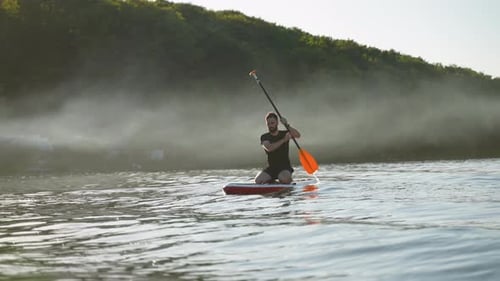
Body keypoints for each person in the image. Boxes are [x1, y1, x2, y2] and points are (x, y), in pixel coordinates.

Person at [255, 112, 301, 184]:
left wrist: (287, 125)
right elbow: (269, 148)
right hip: (271, 167)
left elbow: (297, 135)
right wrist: (283, 140)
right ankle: (274, 182)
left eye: (272, 123)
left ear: (277, 123)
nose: (270, 125)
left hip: (285, 167)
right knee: (258, 181)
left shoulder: (284, 133)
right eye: (268, 124)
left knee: (283, 179)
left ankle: (288, 181)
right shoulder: (264, 137)